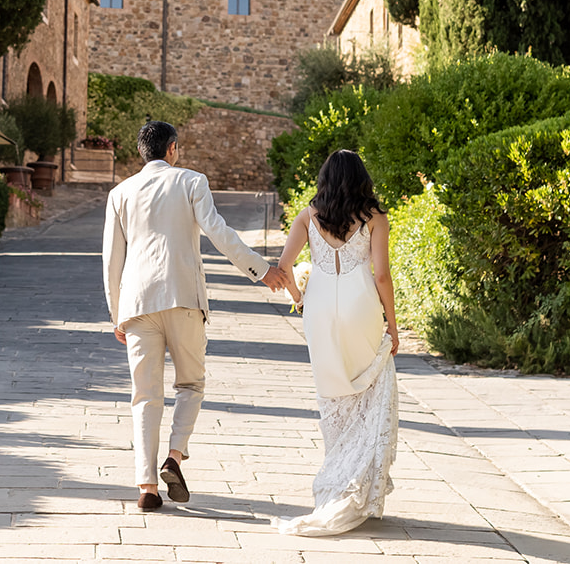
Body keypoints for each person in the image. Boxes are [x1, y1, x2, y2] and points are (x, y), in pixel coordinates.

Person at [103, 120, 287, 511]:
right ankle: (174, 455)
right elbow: (219, 232)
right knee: (191, 385)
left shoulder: (119, 193)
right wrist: (261, 269)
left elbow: (111, 261)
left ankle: (147, 487)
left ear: (142, 151)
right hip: (184, 298)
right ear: (172, 149)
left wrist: (116, 313)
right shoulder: (191, 181)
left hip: (136, 305)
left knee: (144, 397)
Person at [273, 148, 400, 536]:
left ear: (325, 179)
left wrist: (299, 296)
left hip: (320, 310)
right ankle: (360, 485)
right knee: (372, 387)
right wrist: (393, 326)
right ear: (363, 179)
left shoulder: (307, 216)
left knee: (333, 396)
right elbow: (381, 277)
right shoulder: (376, 219)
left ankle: (336, 481)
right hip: (361, 306)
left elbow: (283, 268)